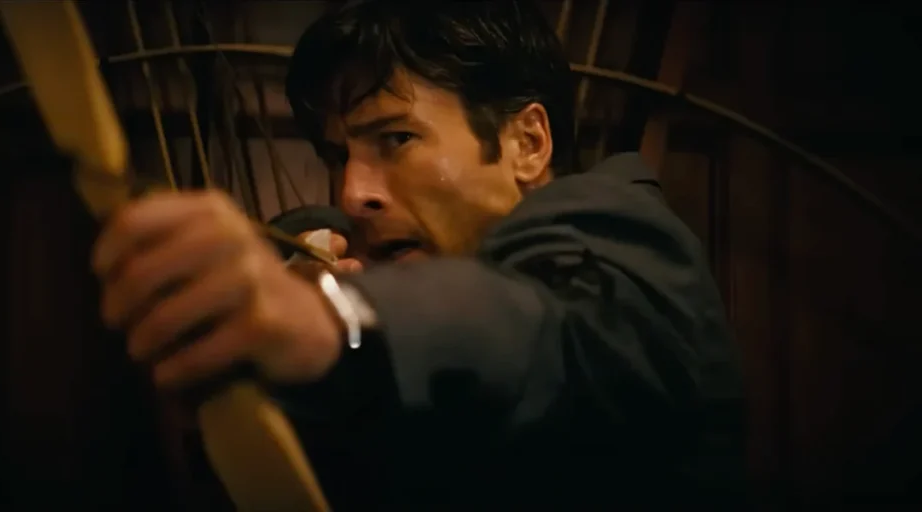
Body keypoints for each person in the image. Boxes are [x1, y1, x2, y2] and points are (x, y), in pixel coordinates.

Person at [91, 0, 746, 508]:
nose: (353, 193)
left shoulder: (620, 231)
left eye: (396, 139)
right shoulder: (358, 253)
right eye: (338, 155)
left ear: (527, 143)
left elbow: (537, 331)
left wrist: (334, 318)